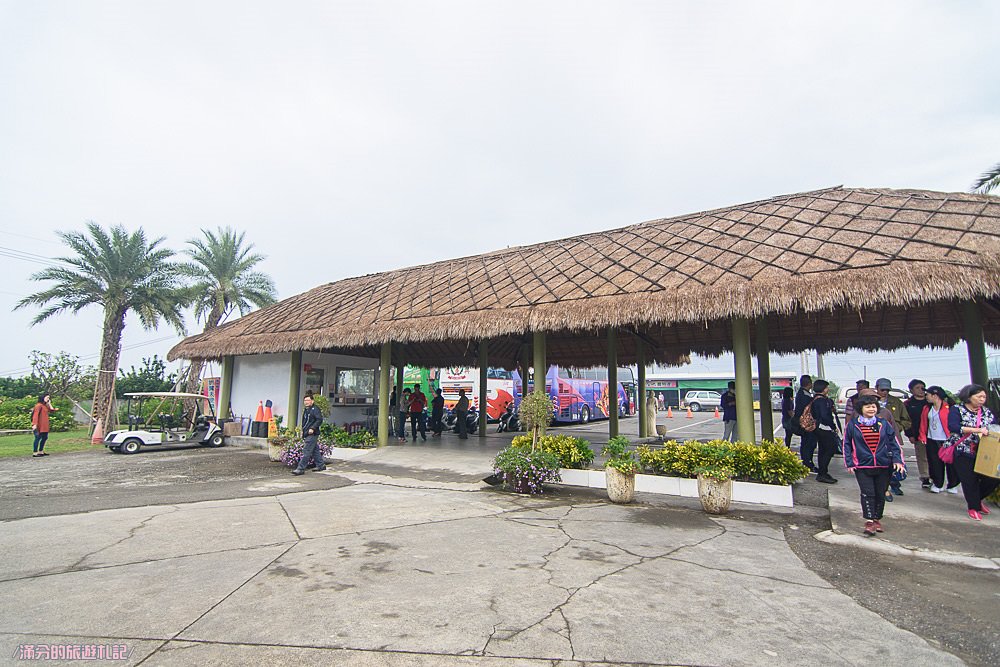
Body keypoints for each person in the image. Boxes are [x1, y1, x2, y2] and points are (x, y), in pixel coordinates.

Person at [843, 393, 906, 536]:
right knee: (867, 493)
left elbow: (893, 443)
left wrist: (897, 460)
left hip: (884, 465)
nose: (871, 409)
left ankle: (877, 519)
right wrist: (849, 462)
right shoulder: (853, 425)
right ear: (861, 408)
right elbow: (846, 444)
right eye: (867, 406)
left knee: (880, 494)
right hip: (862, 466)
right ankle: (870, 521)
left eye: (873, 406)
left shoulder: (883, 424)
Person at [947, 384, 1000, 521]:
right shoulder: (957, 409)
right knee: (969, 480)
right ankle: (974, 507)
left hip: (983, 450)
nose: (982, 399)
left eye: (984, 396)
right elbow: (953, 426)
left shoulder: (986, 411)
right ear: (969, 397)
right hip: (962, 450)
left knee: (992, 478)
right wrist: (977, 430)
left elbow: (994, 426)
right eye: (979, 396)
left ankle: (976, 500)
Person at [917, 386, 959, 494]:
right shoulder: (927, 408)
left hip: (947, 440)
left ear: (935, 396)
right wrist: (922, 436)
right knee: (934, 462)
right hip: (932, 439)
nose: (926, 397)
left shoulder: (949, 407)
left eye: (928, 394)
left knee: (951, 463)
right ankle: (937, 483)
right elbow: (923, 423)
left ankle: (952, 484)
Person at [875, 378, 910, 497]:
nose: (885, 392)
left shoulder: (896, 402)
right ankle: (883, 488)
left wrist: (897, 427)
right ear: (877, 388)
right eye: (882, 389)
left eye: (887, 390)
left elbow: (906, 420)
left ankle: (895, 484)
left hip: (892, 438)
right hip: (875, 439)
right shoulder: (871, 402)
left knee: (894, 462)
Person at [809, 380, 841, 484]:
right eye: (827, 387)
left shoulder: (815, 399)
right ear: (823, 389)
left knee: (822, 450)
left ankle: (823, 472)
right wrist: (833, 426)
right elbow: (825, 416)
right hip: (824, 428)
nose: (828, 389)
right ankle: (823, 473)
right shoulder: (821, 401)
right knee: (829, 449)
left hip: (818, 428)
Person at [904, 379, 931, 489]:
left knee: (934, 457)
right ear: (911, 390)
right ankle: (925, 477)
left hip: (933, 434)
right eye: (917, 388)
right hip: (918, 434)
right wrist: (910, 434)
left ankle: (936, 477)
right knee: (922, 456)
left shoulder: (931, 401)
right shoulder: (908, 404)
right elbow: (906, 420)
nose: (921, 390)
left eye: (922, 387)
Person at [291, 391, 325, 475]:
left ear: (312, 401)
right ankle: (321, 465)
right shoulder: (306, 410)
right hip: (307, 432)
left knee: (306, 450)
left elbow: (319, 419)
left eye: (308, 400)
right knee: (314, 450)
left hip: (312, 433)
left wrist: (312, 428)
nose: (306, 402)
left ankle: (300, 468)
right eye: (305, 400)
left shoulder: (315, 409)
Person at [793, 375, 817, 471]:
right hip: (806, 424)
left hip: (803, 423)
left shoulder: (801, 394)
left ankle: (807, 461)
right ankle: (807, 462)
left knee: (807, 443)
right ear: (809, 384)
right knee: (808, 443)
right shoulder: (805, 396)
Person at [31, 393, 58, 457]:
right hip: (39, 425)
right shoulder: (38, 406)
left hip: (44, 425)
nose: (48, 399)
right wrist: (34, 424)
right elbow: (35, 415)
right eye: (47, 397)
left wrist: (49, 403)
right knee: (38, 438)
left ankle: (41, 451)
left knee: (45, 437)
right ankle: (35, 452)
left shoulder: (44, 406)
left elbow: (52, 410)